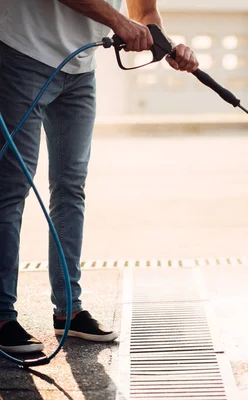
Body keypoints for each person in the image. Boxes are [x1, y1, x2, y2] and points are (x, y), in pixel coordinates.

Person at [0, 0, 199, 353]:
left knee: (70, 188)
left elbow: (145, 13)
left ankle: (69, 311)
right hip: (21, 54)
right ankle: (1, 316)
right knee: (11, 186)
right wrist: (118, 22)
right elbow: (122, 19)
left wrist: (166, 46)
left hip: (79, 70)